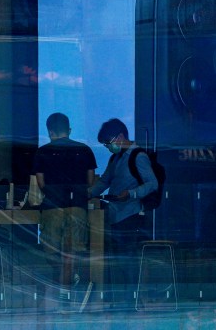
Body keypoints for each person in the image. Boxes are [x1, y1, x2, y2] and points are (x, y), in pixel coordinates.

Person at [89, 118, 157, 307]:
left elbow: (152, 184)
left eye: (108, 143)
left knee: (128, 260)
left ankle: (131, 300)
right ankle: (125, 299)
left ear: (120, 137)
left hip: (131, 215)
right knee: (120, 259)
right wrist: (86, 194)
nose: (108, 147)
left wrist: (131, 194)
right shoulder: (116, 158)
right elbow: (104, 181)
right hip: (116, 215)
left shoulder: (138, 156)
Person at [33, 112, 97, 307]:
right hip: (77, 206)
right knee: (71, 251)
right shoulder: (85, 150)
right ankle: (66, 289)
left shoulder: (42, 152)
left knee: (52, 251)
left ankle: (64, 285)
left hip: (52, 206)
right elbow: (90, 181)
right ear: (69, 130)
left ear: (50, 131)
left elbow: (41, 182)